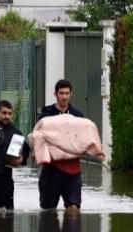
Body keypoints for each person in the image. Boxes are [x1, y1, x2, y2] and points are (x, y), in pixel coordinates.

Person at [37, 79, 84, 213]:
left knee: (74, 208)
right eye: (61, 93)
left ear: (71, 94)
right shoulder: (46, 115)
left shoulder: (78, 116)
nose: (64, 96)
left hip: (73, 170)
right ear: (55, 94)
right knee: (48, 211)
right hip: (51, 169)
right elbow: (37, 137)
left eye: (67, 93)